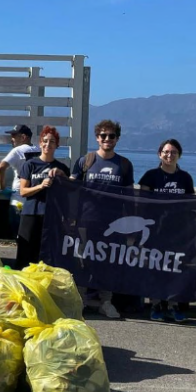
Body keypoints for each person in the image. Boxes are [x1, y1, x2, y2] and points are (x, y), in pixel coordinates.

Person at [71, 119, 135, 319]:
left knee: (108, 261)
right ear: (97, 138)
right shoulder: (86, 161)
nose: (107, 139)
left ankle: (106, 302)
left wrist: (131, 224)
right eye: (103, 136)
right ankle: (80, 301)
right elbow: (70, 189)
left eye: (111, 136)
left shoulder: (124, 164)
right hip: (86, 220)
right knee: (82, 259)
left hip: (113, 224)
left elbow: (130, 197)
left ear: (117, 138)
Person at [139, 138, 196, 322]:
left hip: (178, 232)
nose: (169, 155)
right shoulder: (150, 176)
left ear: (179, 155)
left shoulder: (185, 178)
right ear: (159, 154)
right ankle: (156, 305)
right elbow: (142, 203)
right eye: (166, 152)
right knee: (155, 268)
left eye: (173, 152)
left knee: (175, 267)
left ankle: (173, 305)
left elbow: (191, 204)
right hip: (154, 230)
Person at [15, 126, 70, 270]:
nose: (47, 144)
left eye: (52, 141)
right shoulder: (30, 164)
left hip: (51, 217)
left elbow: (70, 191)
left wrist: (63, 176)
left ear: (57, 145)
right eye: (45, 141)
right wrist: (40, 186)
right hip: (30, 214)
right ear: (40, 143)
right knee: (25, 255)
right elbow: (23, 191)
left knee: (47, 255)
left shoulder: (62, 168)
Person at [0, 124, 40, 237]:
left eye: (14, 136)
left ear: (23, 137)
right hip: (35, 201)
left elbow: (1, 167)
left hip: (18, 200)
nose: (12, 139)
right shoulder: (39, 150)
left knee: (19, 235)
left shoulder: (17, 151)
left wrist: (3, 187)